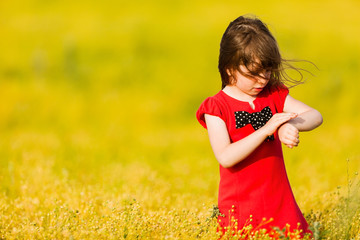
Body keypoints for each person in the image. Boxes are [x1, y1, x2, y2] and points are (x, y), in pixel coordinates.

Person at [196, 15, 323, 236]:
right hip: (239, 205)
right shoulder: (216, 107)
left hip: (279, 199)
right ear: (229, 69)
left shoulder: (273, 94)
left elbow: (315, 115)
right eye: (253, 74)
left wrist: (287, 125)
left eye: (267, 71)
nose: (263, 80)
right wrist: (267, 128)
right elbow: (225, 156)